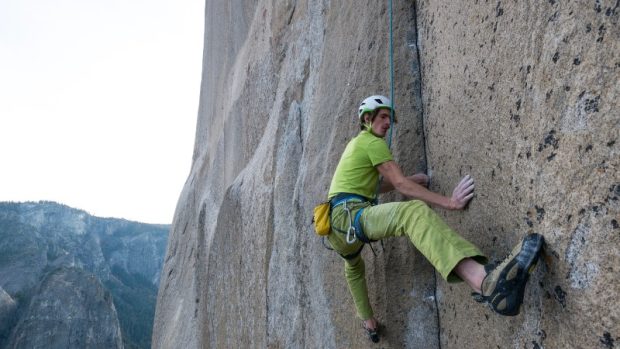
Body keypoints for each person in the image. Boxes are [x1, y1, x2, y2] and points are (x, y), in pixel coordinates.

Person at [326, 95, 544, 343]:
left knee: (353, 268)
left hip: (337, 231)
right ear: (367, 118)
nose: (388, 123)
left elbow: (377, 184)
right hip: (350, 216)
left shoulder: (355, 147)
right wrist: (448, 202)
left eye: (390, 118)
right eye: (383, 116)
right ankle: (485, 281)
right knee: (411, 213)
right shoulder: (370, 141)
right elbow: (397, 183)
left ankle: (369, 323)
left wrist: (411, 180)